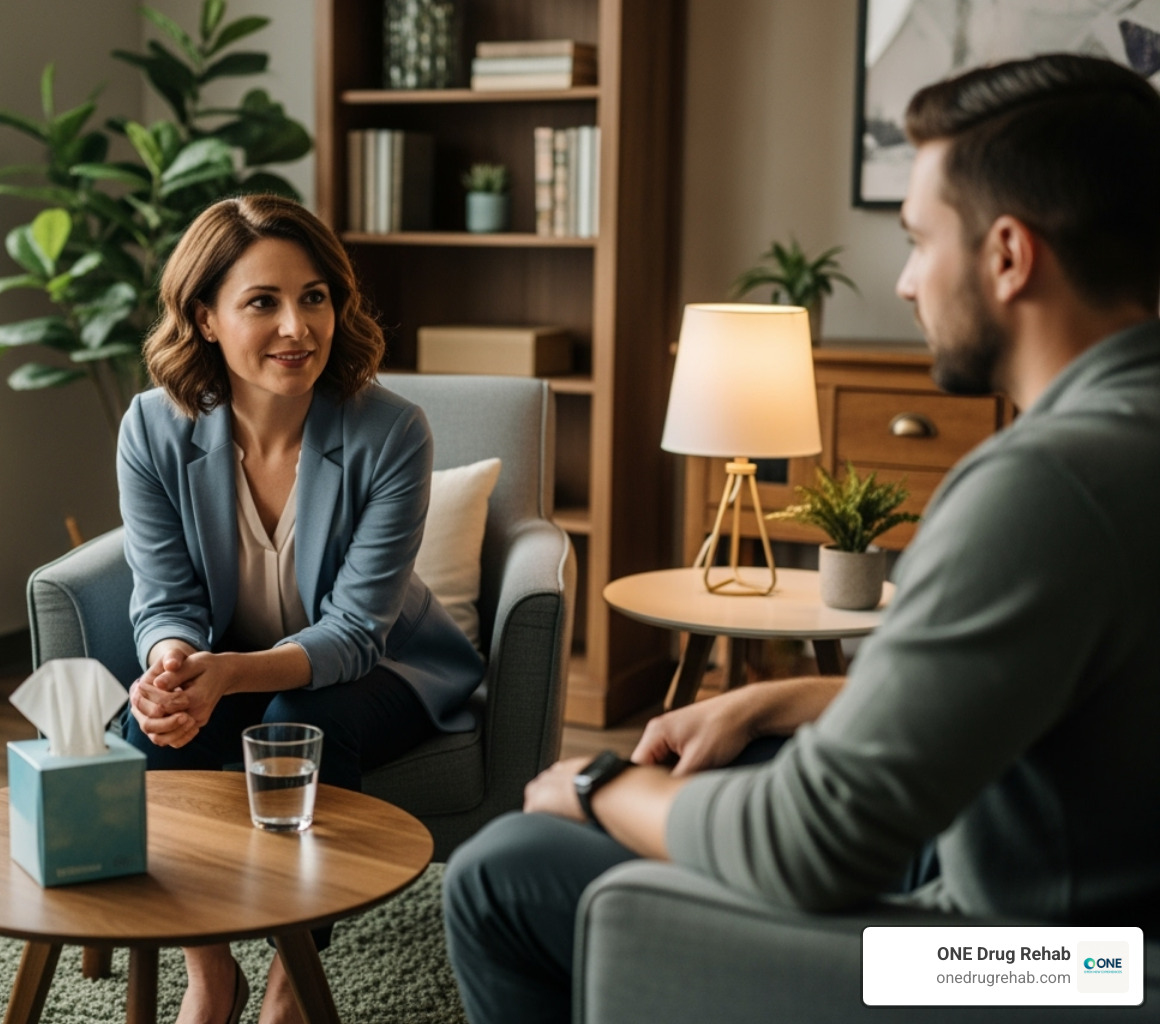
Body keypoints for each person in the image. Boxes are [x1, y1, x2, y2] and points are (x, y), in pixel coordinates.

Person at [443, 52, 1160, 1024]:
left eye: (916, 241)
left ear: (1007, 254)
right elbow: (1083, 700)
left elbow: (810, 842)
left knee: (506, 869)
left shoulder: (1048, 482)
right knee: (724, 762)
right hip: (1103, 908)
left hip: (1046, 968)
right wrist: (798, 695)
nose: (906, 284)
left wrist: (603, 781)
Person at [118, 194, 484, 1024]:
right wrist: (171, 665)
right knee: (144, 728)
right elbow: (164, 596)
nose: (297, 326)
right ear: (206, 318)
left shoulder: (392, 431)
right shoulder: (151, 428)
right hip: (228, 662)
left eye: (314, 296)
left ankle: (291, 982)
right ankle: (210, 973)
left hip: (386, 668)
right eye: (263, 302)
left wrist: (229, 676)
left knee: (295, 721)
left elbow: (358, 632)